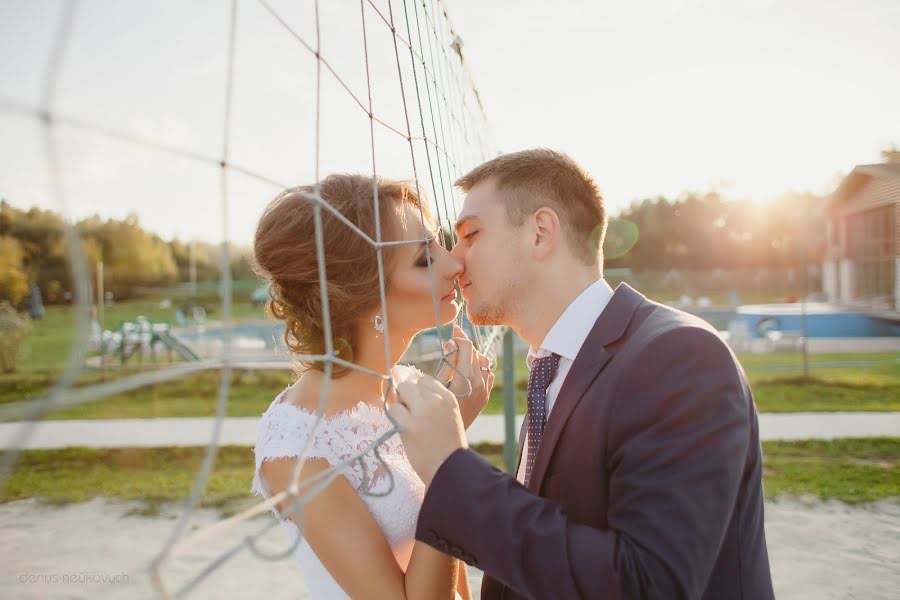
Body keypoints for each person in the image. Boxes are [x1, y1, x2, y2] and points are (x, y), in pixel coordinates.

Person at [389, 149, 776, 599]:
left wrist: (452, 469)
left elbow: (647, 586)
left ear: (540, 233)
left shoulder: (681, 357)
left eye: (470, 234)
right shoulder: (551, 366)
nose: (455, 260)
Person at [250, 174, 494, 599]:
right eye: (424, 258)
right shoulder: (296, 446)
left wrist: (448, 441)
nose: (455, 264)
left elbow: (448, 570)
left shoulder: (411, 388)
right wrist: (449, 463)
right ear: (363, 297)